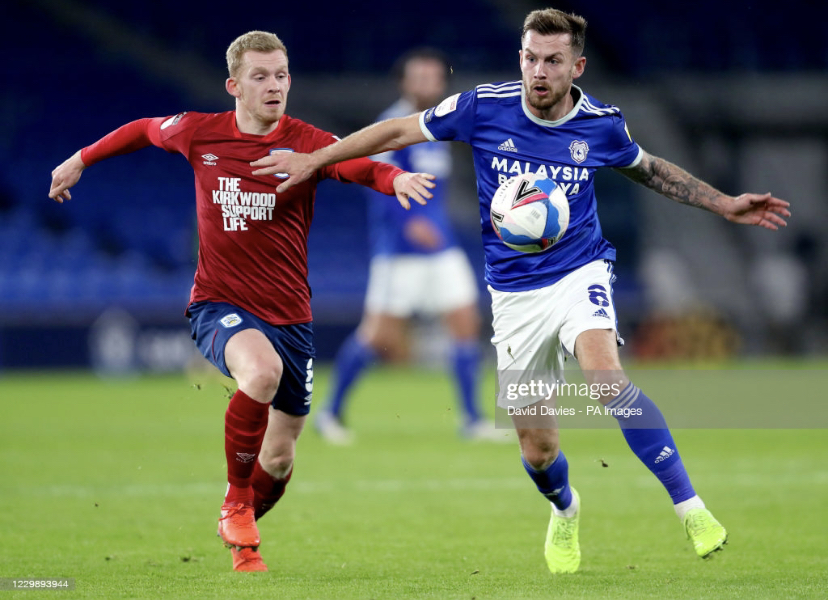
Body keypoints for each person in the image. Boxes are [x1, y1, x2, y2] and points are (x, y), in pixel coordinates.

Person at [250, 9, 791, 574]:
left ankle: (691, 507)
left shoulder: (601, 124)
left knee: (606, 378)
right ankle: (565, 507)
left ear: (576, 66)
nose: (539, 70)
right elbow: (395, 131)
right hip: (513, 296)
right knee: (539, 451)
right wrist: (316, 158)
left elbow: (651, 170)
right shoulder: (482, 107)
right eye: (531, 57)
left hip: (580, 271)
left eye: (553, 61)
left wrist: (723, 202)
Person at [48, 31, 435, 573]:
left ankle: (244, 530)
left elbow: (360, 165)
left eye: (281, 75)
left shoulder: (306, 142)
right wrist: (80, 159)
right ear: (234, 85)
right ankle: (235, 505)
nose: (275, 85)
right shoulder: (199, 133)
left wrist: (394, 178)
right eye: (260, 76)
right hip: (219, 301)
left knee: (279, 456)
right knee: (259, 372)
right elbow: (141, 130)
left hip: (292, 315)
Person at [316, 48, 504, 444]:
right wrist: (409, 222)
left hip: (442, 249)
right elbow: (375, 179)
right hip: (399, 252)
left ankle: (472, 420)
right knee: (376, 336)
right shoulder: (390, 124)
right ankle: (329, 413)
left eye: (433, 77)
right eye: (418, 77)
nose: (426, 84)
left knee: (466, 325)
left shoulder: (437, 128)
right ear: (404, 82)